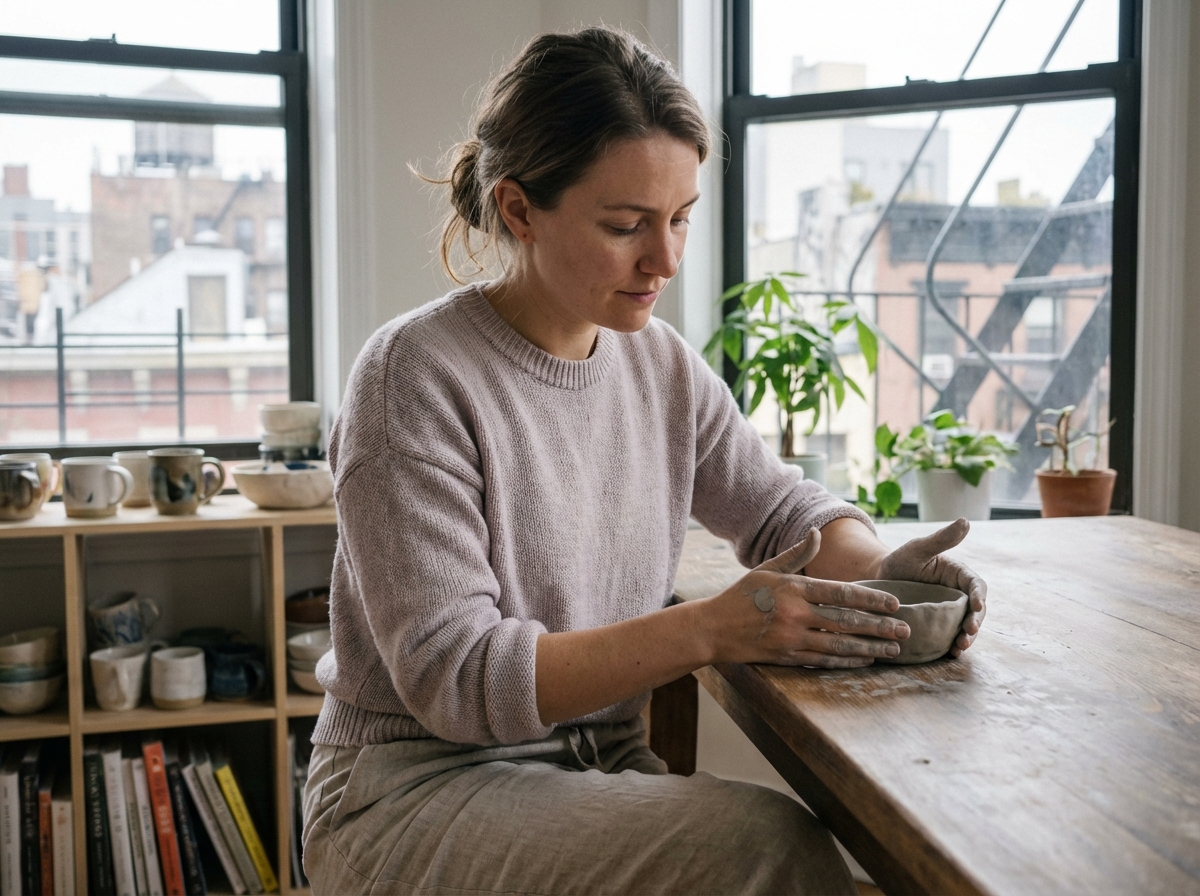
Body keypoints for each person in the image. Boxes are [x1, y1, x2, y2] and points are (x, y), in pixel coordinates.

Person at [303, 26, 987, 896]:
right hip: (409, 793)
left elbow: (782, 511)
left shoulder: (658, 362)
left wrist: (889, 577)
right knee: (772, 852)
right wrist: (708, 628)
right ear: (518, 209)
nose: (664, 260)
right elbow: (458, 679)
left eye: (680, 220)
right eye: (626, 225)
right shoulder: (413, 375)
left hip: (592, 762)